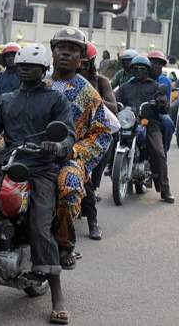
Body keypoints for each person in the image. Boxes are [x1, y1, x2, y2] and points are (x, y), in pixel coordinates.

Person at [0, 43, 75, 324]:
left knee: (40, 225)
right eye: (21, 66)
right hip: (9, 161)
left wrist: (58, 145)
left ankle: (57, 296)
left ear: (44, 70)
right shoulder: (6, 99)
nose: (25, 70)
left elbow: (68, 135)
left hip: (41, 168)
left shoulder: (56, 99)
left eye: (32, 66)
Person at [49, 27, 112, 269]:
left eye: (72, 49)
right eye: (61, 47)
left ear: (82, 57)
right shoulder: (38, 83)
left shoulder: (89, 93)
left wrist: (73, 151)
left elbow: (102, 134)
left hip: (68, 158)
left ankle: (64, 245)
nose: (65, 53)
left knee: (70, 187)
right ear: (52, 52)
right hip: (31, 153)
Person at [116, 56, 175, 204]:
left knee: (159, 152)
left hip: (149, 123)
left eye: (142, 68)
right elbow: (115, 99)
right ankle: (112, 166)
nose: (139, 71)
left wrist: (161, 101)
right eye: (136, 68)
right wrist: (113, 104)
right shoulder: (125, 87)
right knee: (110, 138)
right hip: (129, 122)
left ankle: (165, 190)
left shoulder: (155, 86)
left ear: (148, 70)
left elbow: (165, 108)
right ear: (131, 70)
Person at [77, 42, 117, 241]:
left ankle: (93, 222)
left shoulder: (100, 82)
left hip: (91, 135)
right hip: (66, 133)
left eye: (84, 63)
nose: (80, 66)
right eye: (79, 63)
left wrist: (94, 98)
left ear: (91, 62)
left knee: (84, 177)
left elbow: (114, 107)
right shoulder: (61, 80)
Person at [147, 50, 176, 154]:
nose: (156, 66)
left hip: (158, 113)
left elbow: (166, 104)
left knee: (168, 123)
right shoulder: (139, 77)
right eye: (153, 63)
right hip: (139, 112)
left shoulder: (166, 81)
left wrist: (162, 104)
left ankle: (164, 153)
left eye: (159, 64)